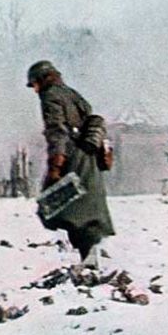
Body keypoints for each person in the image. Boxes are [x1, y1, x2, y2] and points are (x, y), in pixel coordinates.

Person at [27, 60, 115, 267]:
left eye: (34, 85)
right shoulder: (72, 94)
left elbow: (56, 131)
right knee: (84, 207)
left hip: (71, 155)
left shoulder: (50, 96)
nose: (35, 90)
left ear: (42, 79)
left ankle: (88, 255)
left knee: (62, 207)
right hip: (89, 156)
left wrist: (56, 165)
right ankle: (90, 253)